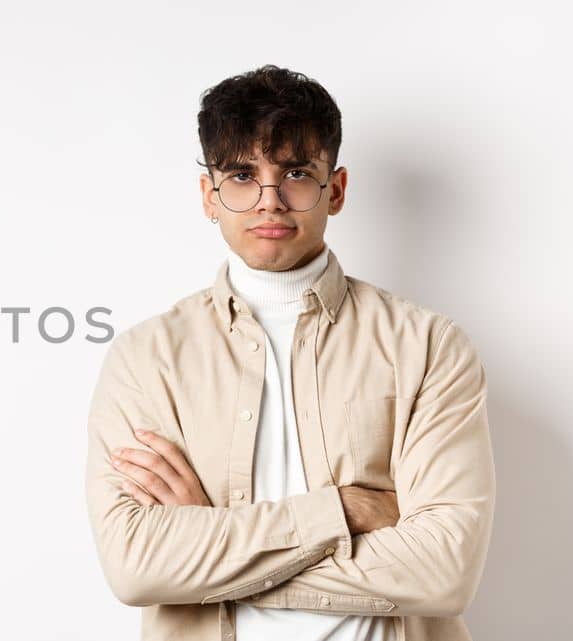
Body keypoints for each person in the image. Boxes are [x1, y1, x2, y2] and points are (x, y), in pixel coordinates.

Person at [83, 65, 496, 641]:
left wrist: (210, 544)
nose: (270, 201)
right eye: (242, 175)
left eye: (297, 174)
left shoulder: (428, 346)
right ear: (210, 195)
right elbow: (135, 568)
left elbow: (444, 572)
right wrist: (343, 512)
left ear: (338, 189)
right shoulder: (145, 358)